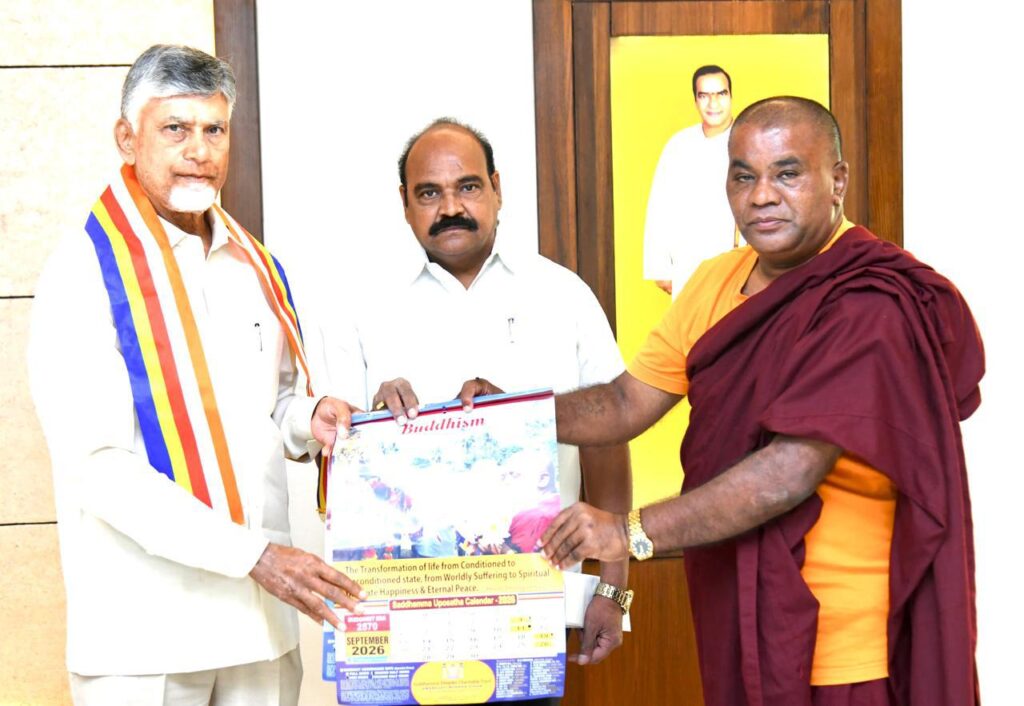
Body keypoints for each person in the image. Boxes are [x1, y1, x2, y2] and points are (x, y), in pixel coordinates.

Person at [465, 97, 985, 705]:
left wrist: (627, 532)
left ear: (837, 180)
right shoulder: (714, 279)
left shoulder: (868, 302)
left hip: (845, 646)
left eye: (787, 173)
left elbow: (787, 472)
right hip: (740, 616)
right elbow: (628, 402)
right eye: (743, 176)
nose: (762, 196)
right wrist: (522, 413)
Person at [27, 45, 364, 706]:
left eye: (214, 129)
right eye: (174, 128)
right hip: (147, 638)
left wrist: (310, 418)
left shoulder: (252, 264)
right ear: (128, 138)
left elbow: (273, 405)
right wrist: (255, 557)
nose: (199, 150)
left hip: (261, 632)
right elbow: (96, 464)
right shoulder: (84, 272)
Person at [318, 118, 633, 703]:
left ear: (497, 188)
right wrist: (371, 426)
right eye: (429, 193)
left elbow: (609, 440)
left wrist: (613, 591)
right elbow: (329, 448)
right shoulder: (358, 307)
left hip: (528, 612)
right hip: (402, 619)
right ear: (405, 204)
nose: (450, 208)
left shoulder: (563, 295)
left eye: (467, 187)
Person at [643, 64, 739, 298]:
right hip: (688, 260)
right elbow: (660, 204)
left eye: (720, 94)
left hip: (736, 259)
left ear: (730, 96)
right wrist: (660, 266)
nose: (713, 103)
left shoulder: (747, 139)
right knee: (690, 321)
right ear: (695, 100)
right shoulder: (679, 145)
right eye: (704, 95)